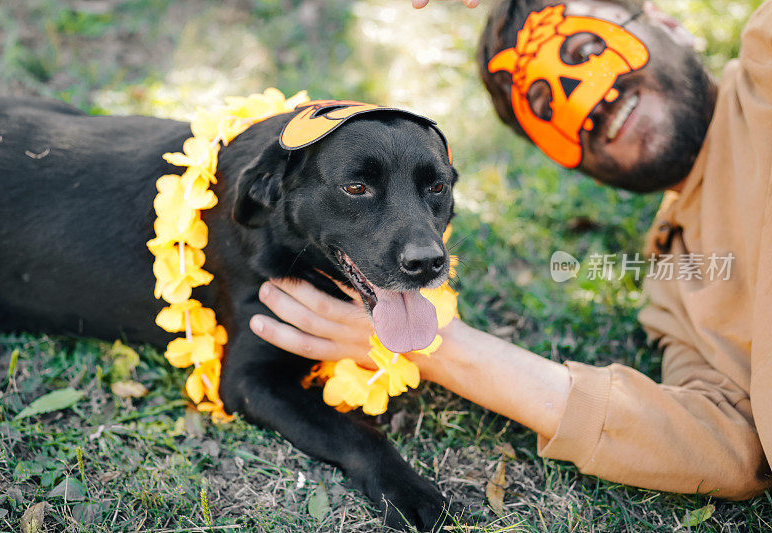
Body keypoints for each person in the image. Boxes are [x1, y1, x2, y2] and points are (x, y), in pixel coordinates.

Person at [248, 0, 772, 499]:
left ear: (662, 18)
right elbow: (730, 447)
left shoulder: (764, 62)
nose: (588, 99)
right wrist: (444, 349)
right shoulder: (675, 285)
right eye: (546, 105)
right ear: (558, 158)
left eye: (585, 52)